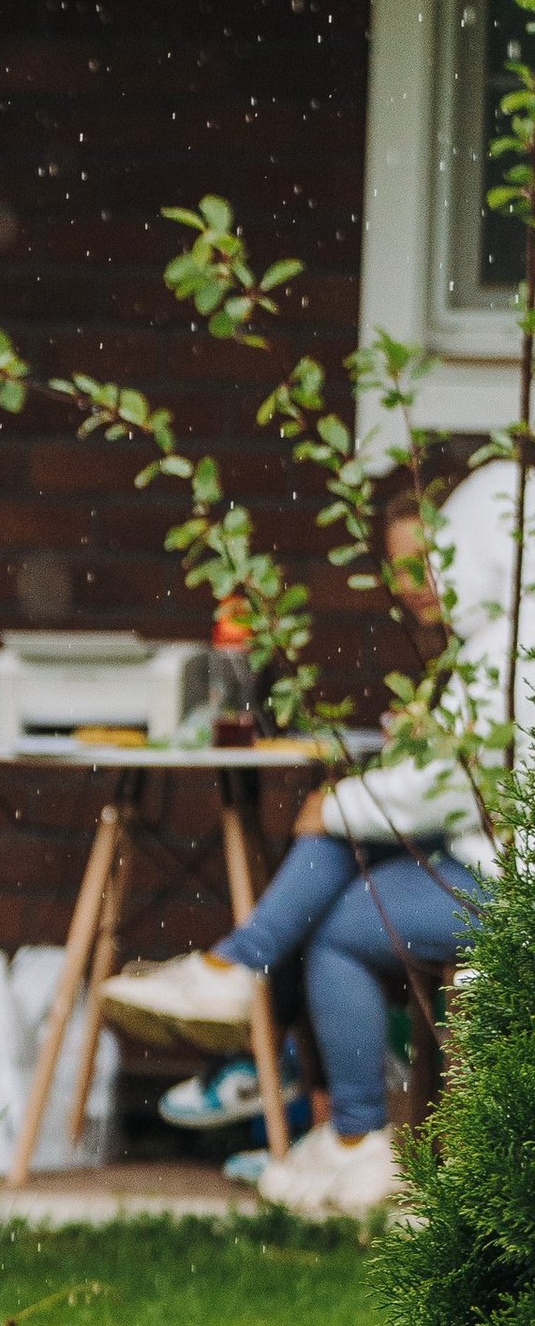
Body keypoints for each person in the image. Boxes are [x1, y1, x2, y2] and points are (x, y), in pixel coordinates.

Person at [103, 469, 520, 1218]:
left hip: (506, 877)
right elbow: (464, 774)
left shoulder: (507, 648)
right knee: (341, 879)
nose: (432, 579)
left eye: (444, 553)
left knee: (341, 912)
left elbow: (449, 787)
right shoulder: (498, 641)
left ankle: (266, 1010)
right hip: (485, 852)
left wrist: (342, 803)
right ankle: (253, 989)